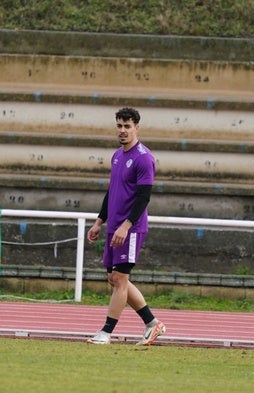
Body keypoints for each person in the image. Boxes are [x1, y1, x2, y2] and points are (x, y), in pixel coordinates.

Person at [86, 107, 166, 345]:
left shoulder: (143, 158)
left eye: (127, 126)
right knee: (114, 278)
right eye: (119, 125)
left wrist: (125, 226)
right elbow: (112, 192)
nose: (122, 130)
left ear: (136, 128)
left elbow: (143, 197)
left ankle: (106, 332)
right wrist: (99, 221)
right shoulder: (117, 155)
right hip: (114, 226)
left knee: (120, 279)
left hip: (130, 228)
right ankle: (152, 323)